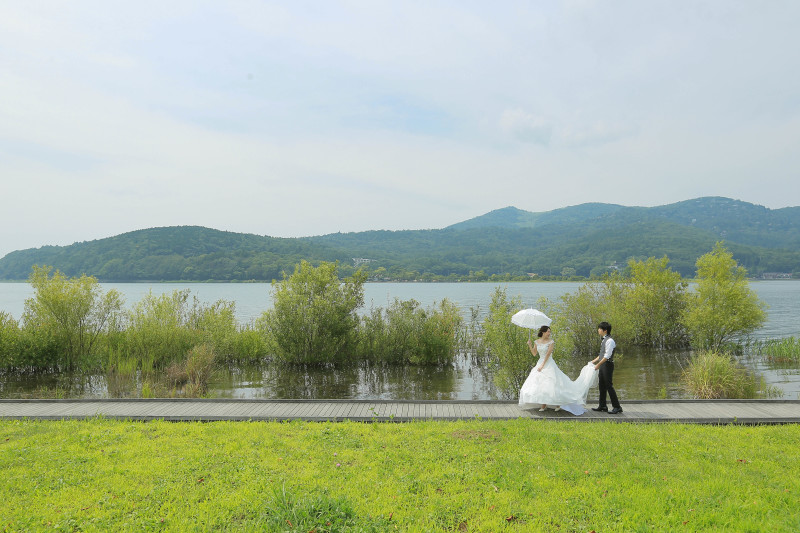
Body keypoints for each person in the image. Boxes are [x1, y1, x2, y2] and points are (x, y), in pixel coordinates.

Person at [518, 325, 597, 416]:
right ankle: (544, 405)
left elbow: (548, 354)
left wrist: (542, 365)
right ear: (543, 332)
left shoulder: (551, 342)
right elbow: (534, 354)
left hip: (548, 363)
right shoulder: (537, 341)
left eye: (549, 331)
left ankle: (557, 404)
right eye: (548, 331)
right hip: (540, 362)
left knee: (552, 383)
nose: (549, 333)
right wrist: (530, 345)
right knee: (541, 384)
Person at [591, 321, 623, 414]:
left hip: (607, 365)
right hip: (603, 364)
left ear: (605, 330)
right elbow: (601, 355)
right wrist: (593, 361)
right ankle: (602, 405)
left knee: (609, 386)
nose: (598, 330)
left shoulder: (610, 341)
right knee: (602, 386)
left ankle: (617, 407)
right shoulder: (604, 340)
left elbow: (607, 356)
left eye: (599, 329)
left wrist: (598, 365)